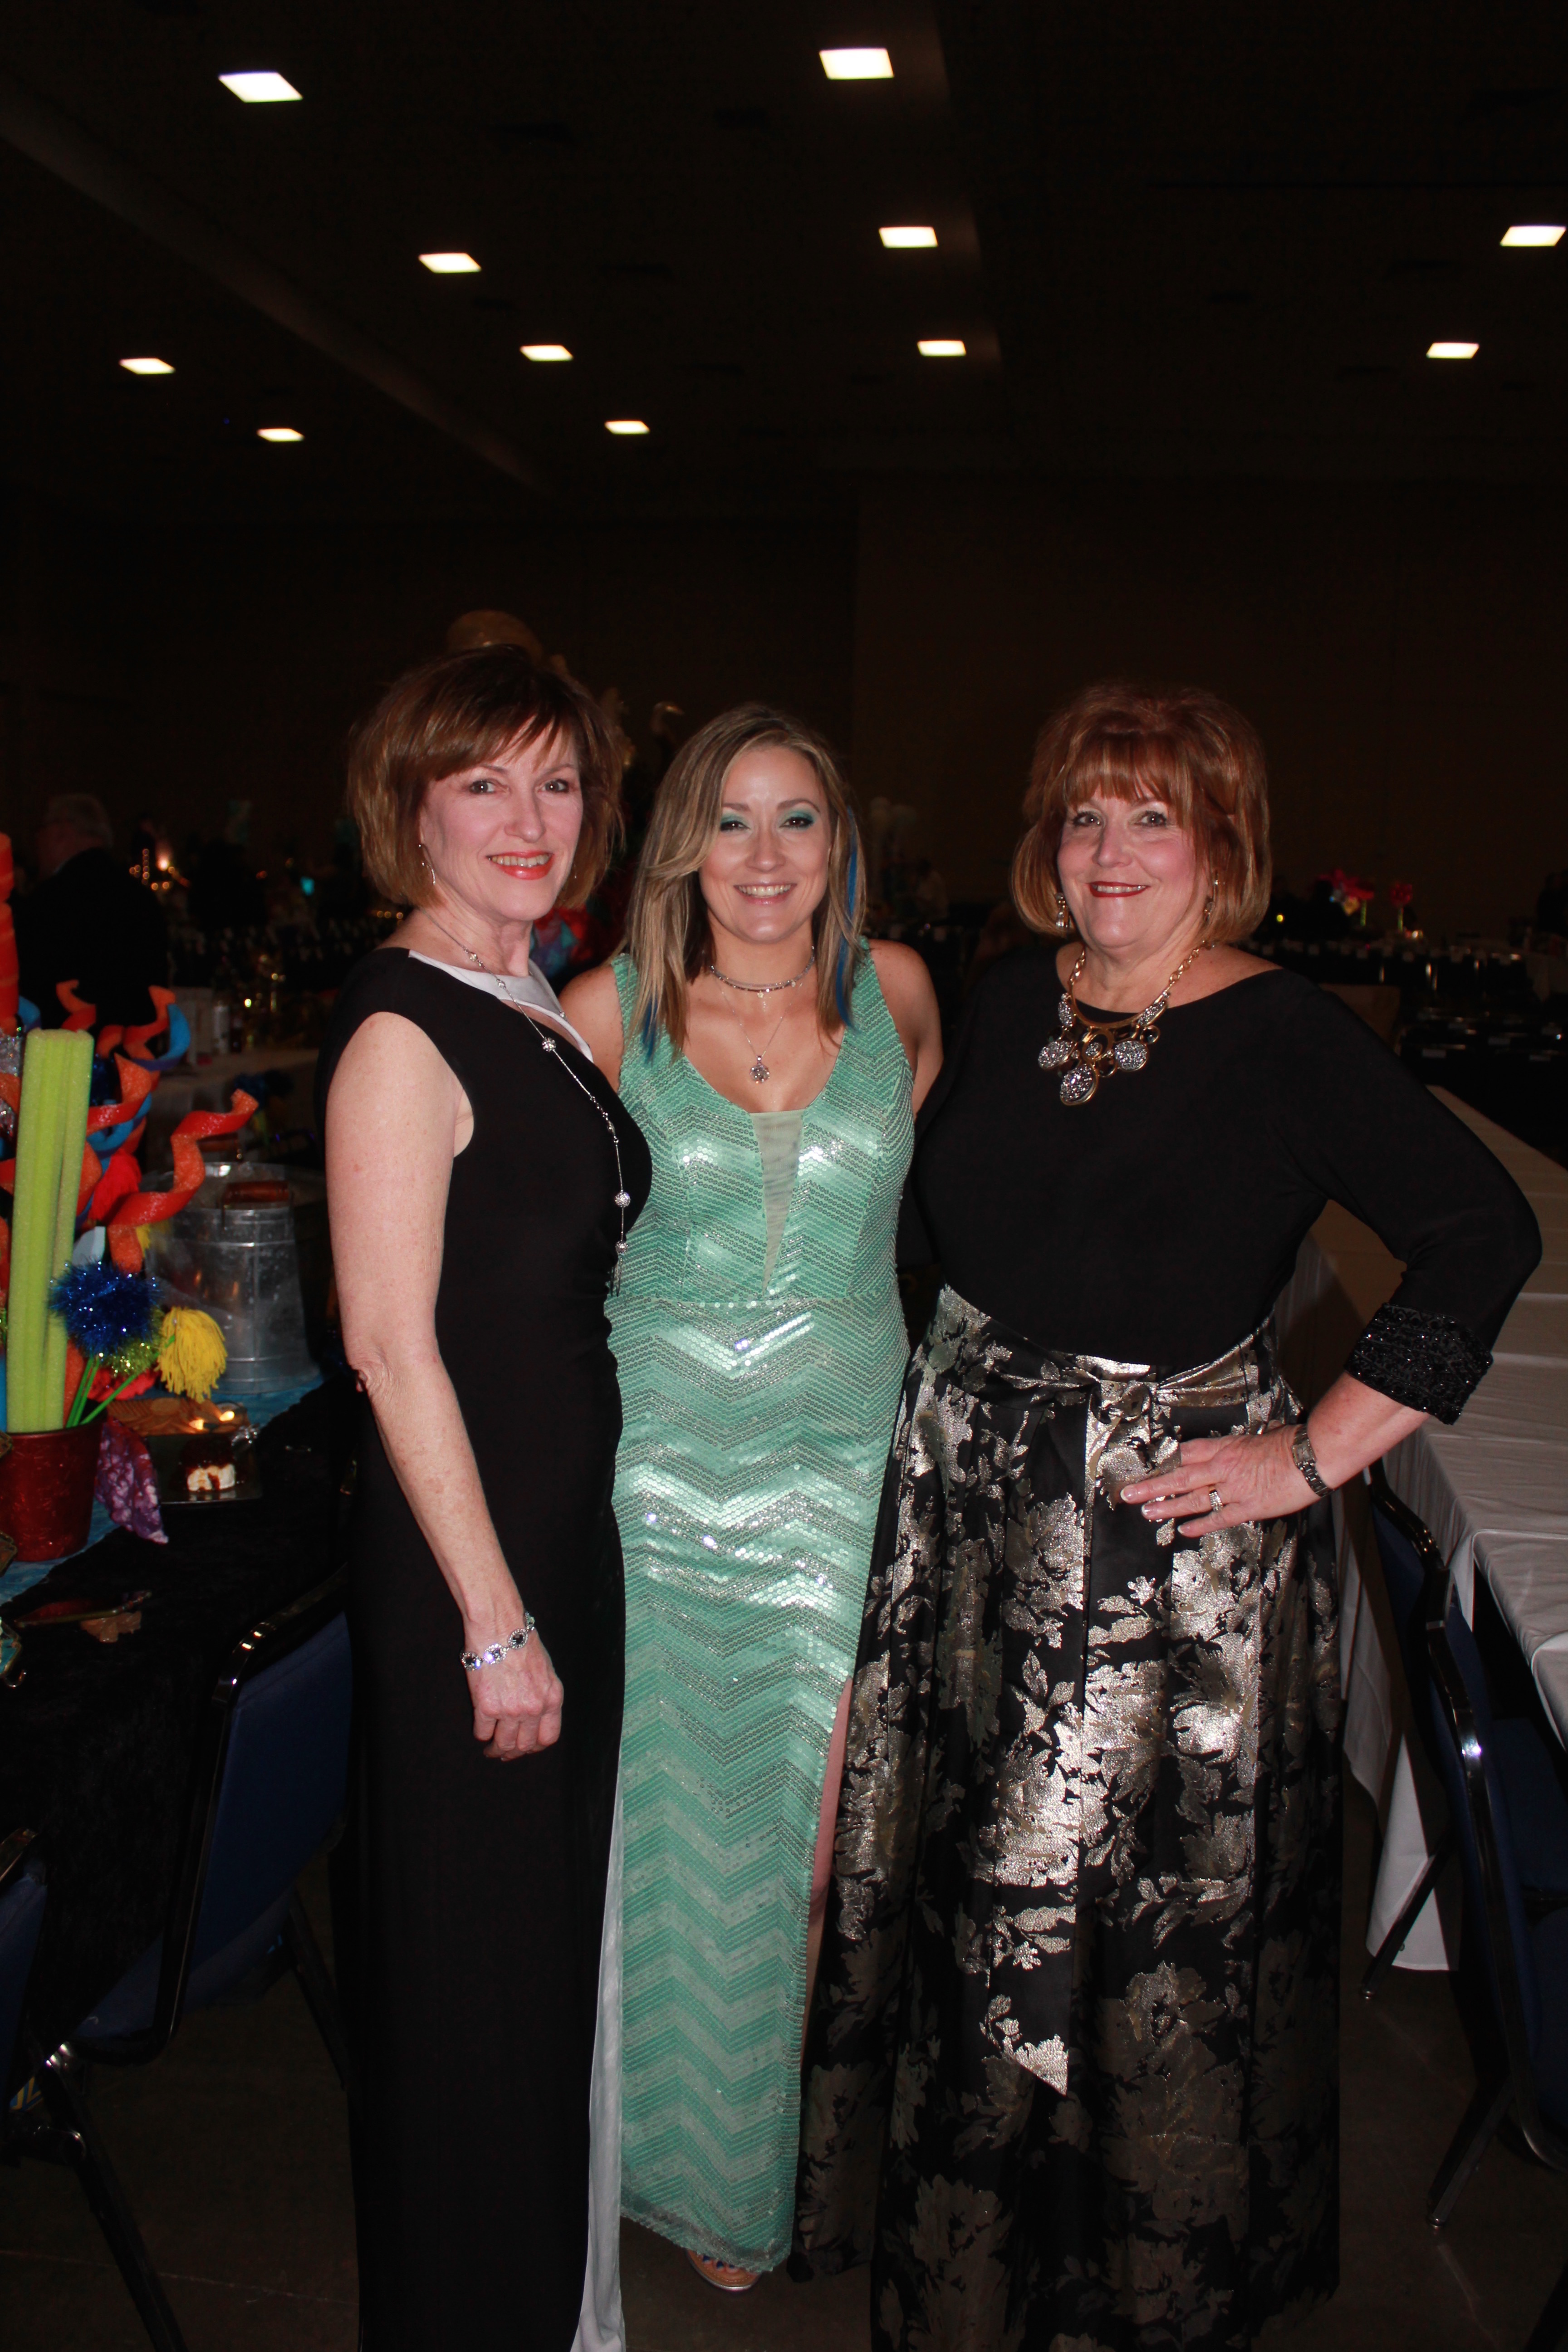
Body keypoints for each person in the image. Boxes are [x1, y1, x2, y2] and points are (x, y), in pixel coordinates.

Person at [793, 680, 1541, 2351]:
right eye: (1085, 813)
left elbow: (1483, 1236)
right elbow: (917, 1228)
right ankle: (981, 2275)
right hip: (969, 1528)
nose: (1111, 850)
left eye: (1154, 817)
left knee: (1108, 1937)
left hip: (1154, 1560)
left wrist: (1315, 1454)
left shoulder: (1283, 1034)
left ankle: (1113, 2290)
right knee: (979, 1903)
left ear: (1225, 846)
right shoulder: (1007, 996)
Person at [563, 704, 942, 2290]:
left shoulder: (898, 991)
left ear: (839, 843)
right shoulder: (602, 1011)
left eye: (798, 818)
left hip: (847, 1477)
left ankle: (775, 2158)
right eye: (729, 818)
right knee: (668, 1846)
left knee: (817, 1852)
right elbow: (533, 1259)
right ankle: (680, 2175)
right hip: (657, 1490)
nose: (765, 855)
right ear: (680, 846)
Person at [318, 644, 651, 2352]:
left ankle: (536, 2307)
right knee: (471, 1989)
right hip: (474, 1574)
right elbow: (390, 1348)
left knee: (530, 1974)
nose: (530, 819)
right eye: (483, 784)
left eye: (559, 781)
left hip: (549, 1542)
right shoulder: (402, 1026)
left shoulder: (524, 992)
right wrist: (493, 1621)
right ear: (412, 807)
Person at [15, 792, 168, 1026]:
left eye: (42, 830)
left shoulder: (49, 901)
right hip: (130, 1044)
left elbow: (27, 992)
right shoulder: (141, 898)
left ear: (62, 832)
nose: (38, 841)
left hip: (62, 1044)